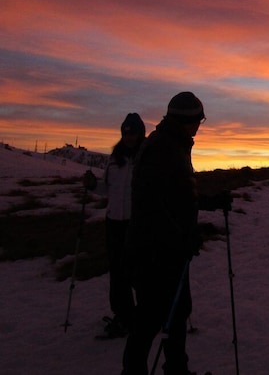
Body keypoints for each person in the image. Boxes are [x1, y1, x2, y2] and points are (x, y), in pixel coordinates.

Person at [122, 92, 231, 375]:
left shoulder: (172, 144)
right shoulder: (163, 149)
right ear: (188, 120)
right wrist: (180, 237)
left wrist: (212, 201)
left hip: (167, 249)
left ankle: (176, 369)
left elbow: (179, 195)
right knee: (150, 318)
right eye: (198, 121)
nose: (199, 127)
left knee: (177, 311)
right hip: (155, 252)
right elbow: (151, 204)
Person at [83, 113, 146, 338]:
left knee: (138, 273)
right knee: (118, 273)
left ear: (141, 133)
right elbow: (108, 189)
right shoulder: (115, 158)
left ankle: (148, 314)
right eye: (125, 133)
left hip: (137, 224)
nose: (128, 137)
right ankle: (125, 317)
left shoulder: (146, 157)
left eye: (133, 133)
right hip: (114, 223)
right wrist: (93, 186)